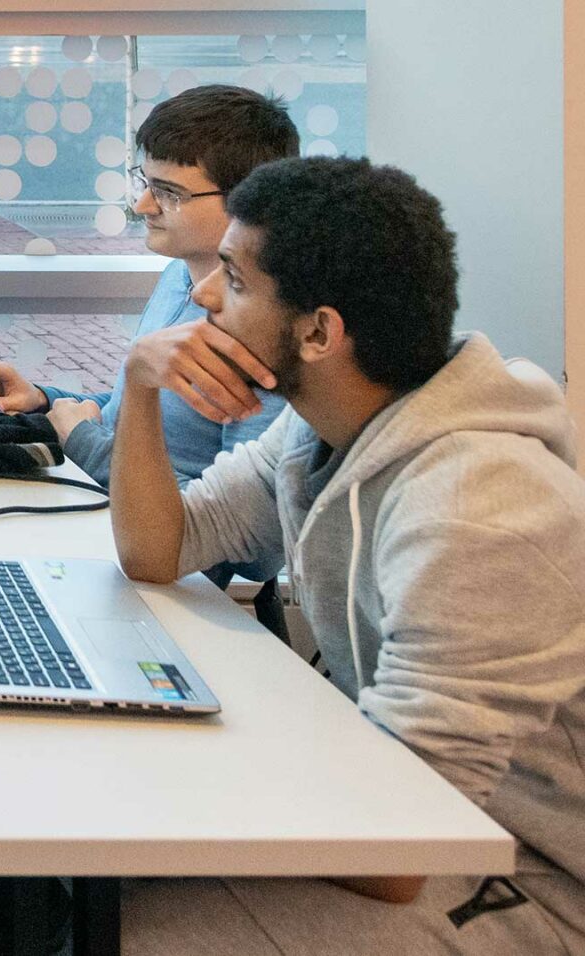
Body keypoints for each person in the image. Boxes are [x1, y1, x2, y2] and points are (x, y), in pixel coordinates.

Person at [107, 156, 585, 954]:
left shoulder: (478, 514)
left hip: (532, 882)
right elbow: (160, 549)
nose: (201, 297)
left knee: (131, 930)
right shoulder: (324, 426)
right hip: (412, 824)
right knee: (85, 886)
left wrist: (175, 791)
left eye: (235, 278)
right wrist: (140, 386)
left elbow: (403, 852)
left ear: (320, 332)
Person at [0, 85, 298, 488]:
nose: (143, 206)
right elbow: (138, 418)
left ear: (246, 198)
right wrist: (43, 401)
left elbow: (231, 520)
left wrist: (81, 439)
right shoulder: (177, 276)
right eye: (145, 183)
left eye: (169, 193)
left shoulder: (267, 328)